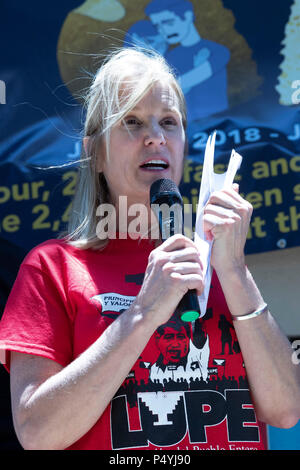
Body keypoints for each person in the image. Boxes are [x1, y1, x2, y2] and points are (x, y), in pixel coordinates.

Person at [0, 47, 299, 451]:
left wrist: (236, 271)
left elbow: (286, 411)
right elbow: (37, 432)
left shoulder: (221, 259)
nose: (156, 137)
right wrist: (141, 313)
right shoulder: (51, 268)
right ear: (95, 153)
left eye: (169, 122)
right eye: (132, 121)